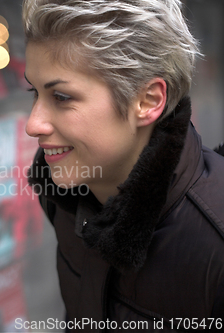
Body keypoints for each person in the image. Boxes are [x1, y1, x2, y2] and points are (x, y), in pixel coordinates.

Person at [24, 0, 224, 330]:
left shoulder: (214, 245)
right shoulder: (63, 193)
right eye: (34, 92)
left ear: (147, 102)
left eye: (61, 97)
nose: (33, 124)